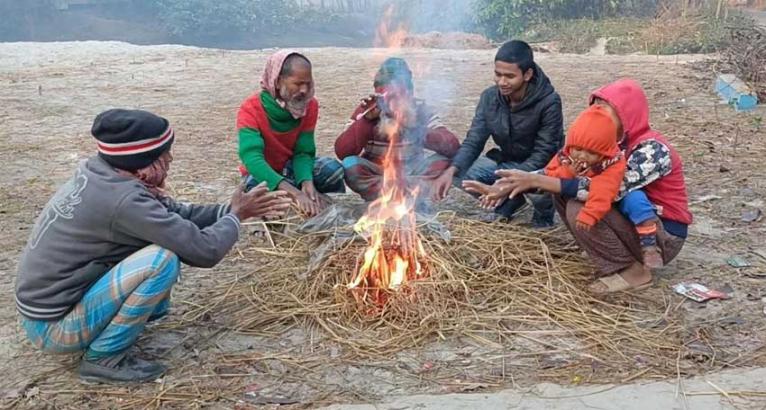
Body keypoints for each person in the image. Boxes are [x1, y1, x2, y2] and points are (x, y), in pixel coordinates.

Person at [15, 109, 292, 383]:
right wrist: (236, 216)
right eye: (163, 154)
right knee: (161, 260)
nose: (170, 158)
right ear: (142, 162)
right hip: (52, 328)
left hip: (46, 313)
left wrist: (229, 210)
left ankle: (108, 334)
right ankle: (103, 360)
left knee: (159, 241)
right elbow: (205, 251)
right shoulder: (124, 200)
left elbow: (176, 216)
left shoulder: (105, 172)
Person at [469, 79, 692, 293]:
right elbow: (557, 172)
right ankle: (607, 253)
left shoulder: (654, 150)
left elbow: (606, 191)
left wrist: (538, 180)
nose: (597, 117)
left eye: (605, 111)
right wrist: (508, 185)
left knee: (580, 206)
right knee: (562, 192)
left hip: (660, 236)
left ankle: (633, 271)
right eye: (594, 110)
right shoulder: (606, 144)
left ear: (627, 115)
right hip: (631, 222)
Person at [466, 104, 664, 268]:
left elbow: (603, 190)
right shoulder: (573, 152)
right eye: (577, 149)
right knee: (563, 194)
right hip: (608, 202)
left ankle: (637, 259)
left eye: (590, 153)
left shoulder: (641, 152)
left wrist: (590, 213)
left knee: (630, 201)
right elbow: (551, 174)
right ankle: (595, 249)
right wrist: (504, 186)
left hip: (632, 209)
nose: (582, 156)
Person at [430, 40, 564, 227]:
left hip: (541, 168)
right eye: (497, 74)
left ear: (527, 74)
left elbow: (544, 153)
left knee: (541, 194)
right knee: (462, 172)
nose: (502, 82)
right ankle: (512, 203)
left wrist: (509, 181)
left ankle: (544, 214)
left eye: (509, 76)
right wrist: (451, 170)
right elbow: (474, 141)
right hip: (507, 160)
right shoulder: (489, 98)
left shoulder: (549, 102)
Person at [334, 57, 460, 202]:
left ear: (409, 93)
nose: (391, 104)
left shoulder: (419, 110)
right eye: (387, 97)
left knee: (446, 162)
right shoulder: (367, 110)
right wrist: (366, 121)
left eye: (398, 96)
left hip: (413, 170)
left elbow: (453, 146)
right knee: (351, 165)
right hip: (379, 173)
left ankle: (402, 194)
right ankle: (392, 196)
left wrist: (413, 125)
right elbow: (343, 152)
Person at [238, 49, 345, 217]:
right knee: (258, 193)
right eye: (298, 83)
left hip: (291, 169)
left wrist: (306, 183)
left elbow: (303, 151)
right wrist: (295, 193)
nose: (304, 90)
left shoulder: (310, 106)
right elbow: (252, 159)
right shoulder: (250, 109)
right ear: (278, 81)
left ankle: (314, 199)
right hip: (263, 172)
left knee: (334, 170)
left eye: (308, 84)